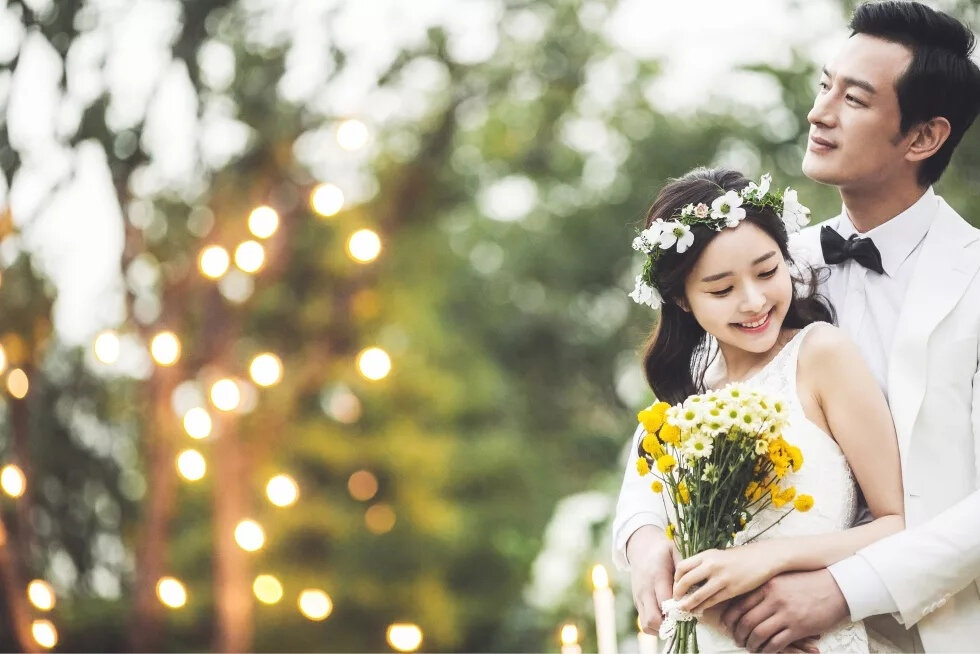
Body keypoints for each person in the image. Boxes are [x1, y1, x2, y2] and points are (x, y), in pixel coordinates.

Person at [615, 2, 980, 652]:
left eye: (855, 99)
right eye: (824, 85)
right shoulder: (764, 276)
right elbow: (675, 427)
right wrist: (645, 541)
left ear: (923, 137)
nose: (820, 112)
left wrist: (842, 589)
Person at [622, 167, 904, 653]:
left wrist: (770, 558)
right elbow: (643, 506)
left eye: (767, 272)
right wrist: (651, 554)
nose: (753, 302)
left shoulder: (822, 356)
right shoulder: (687, 385)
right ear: (682, 300)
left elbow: (896, 525)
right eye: (721, 289)